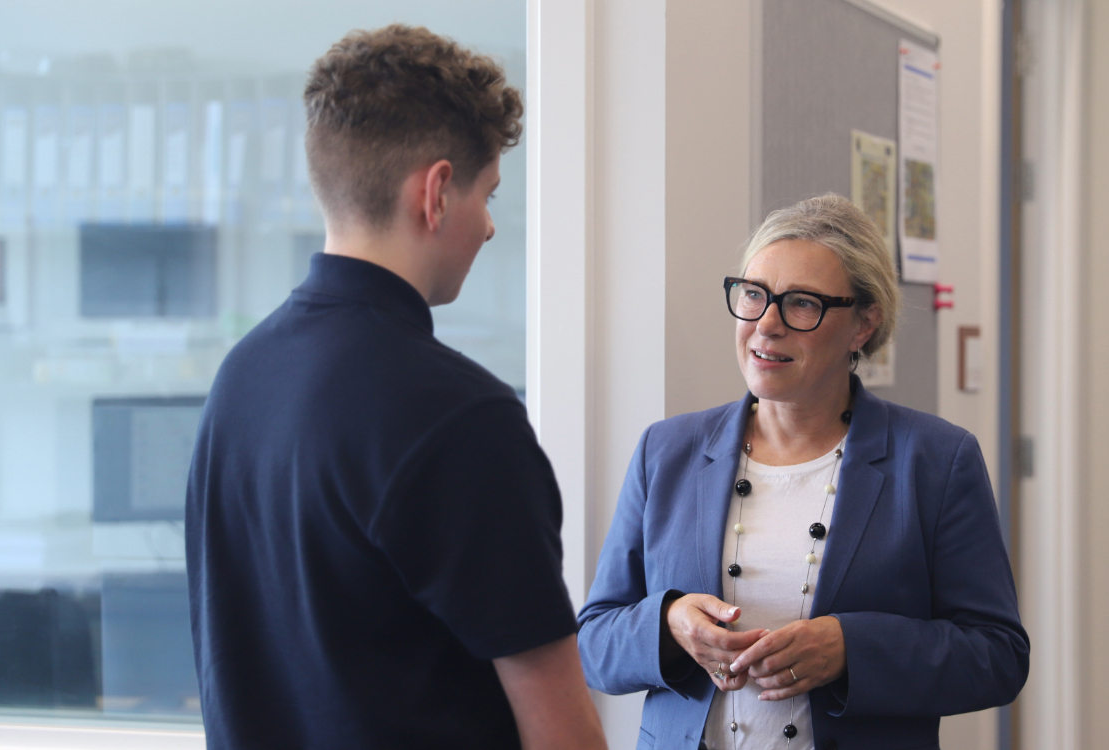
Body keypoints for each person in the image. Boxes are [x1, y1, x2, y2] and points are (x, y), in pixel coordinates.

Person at [186, 25, 606, 750]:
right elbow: (560, 732)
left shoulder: (242, 377)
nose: (489, 228)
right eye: (489, 195)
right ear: (437, 192)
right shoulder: (463, 418)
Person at [577, 194, 1029, 750]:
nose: (766, 325)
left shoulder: (936, 460)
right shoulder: (666, 451)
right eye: (753, 295)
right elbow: (594, 642)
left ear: (864, 323)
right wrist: (668, 624)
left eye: (801, 304)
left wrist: (850, 649)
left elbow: (998, 655)